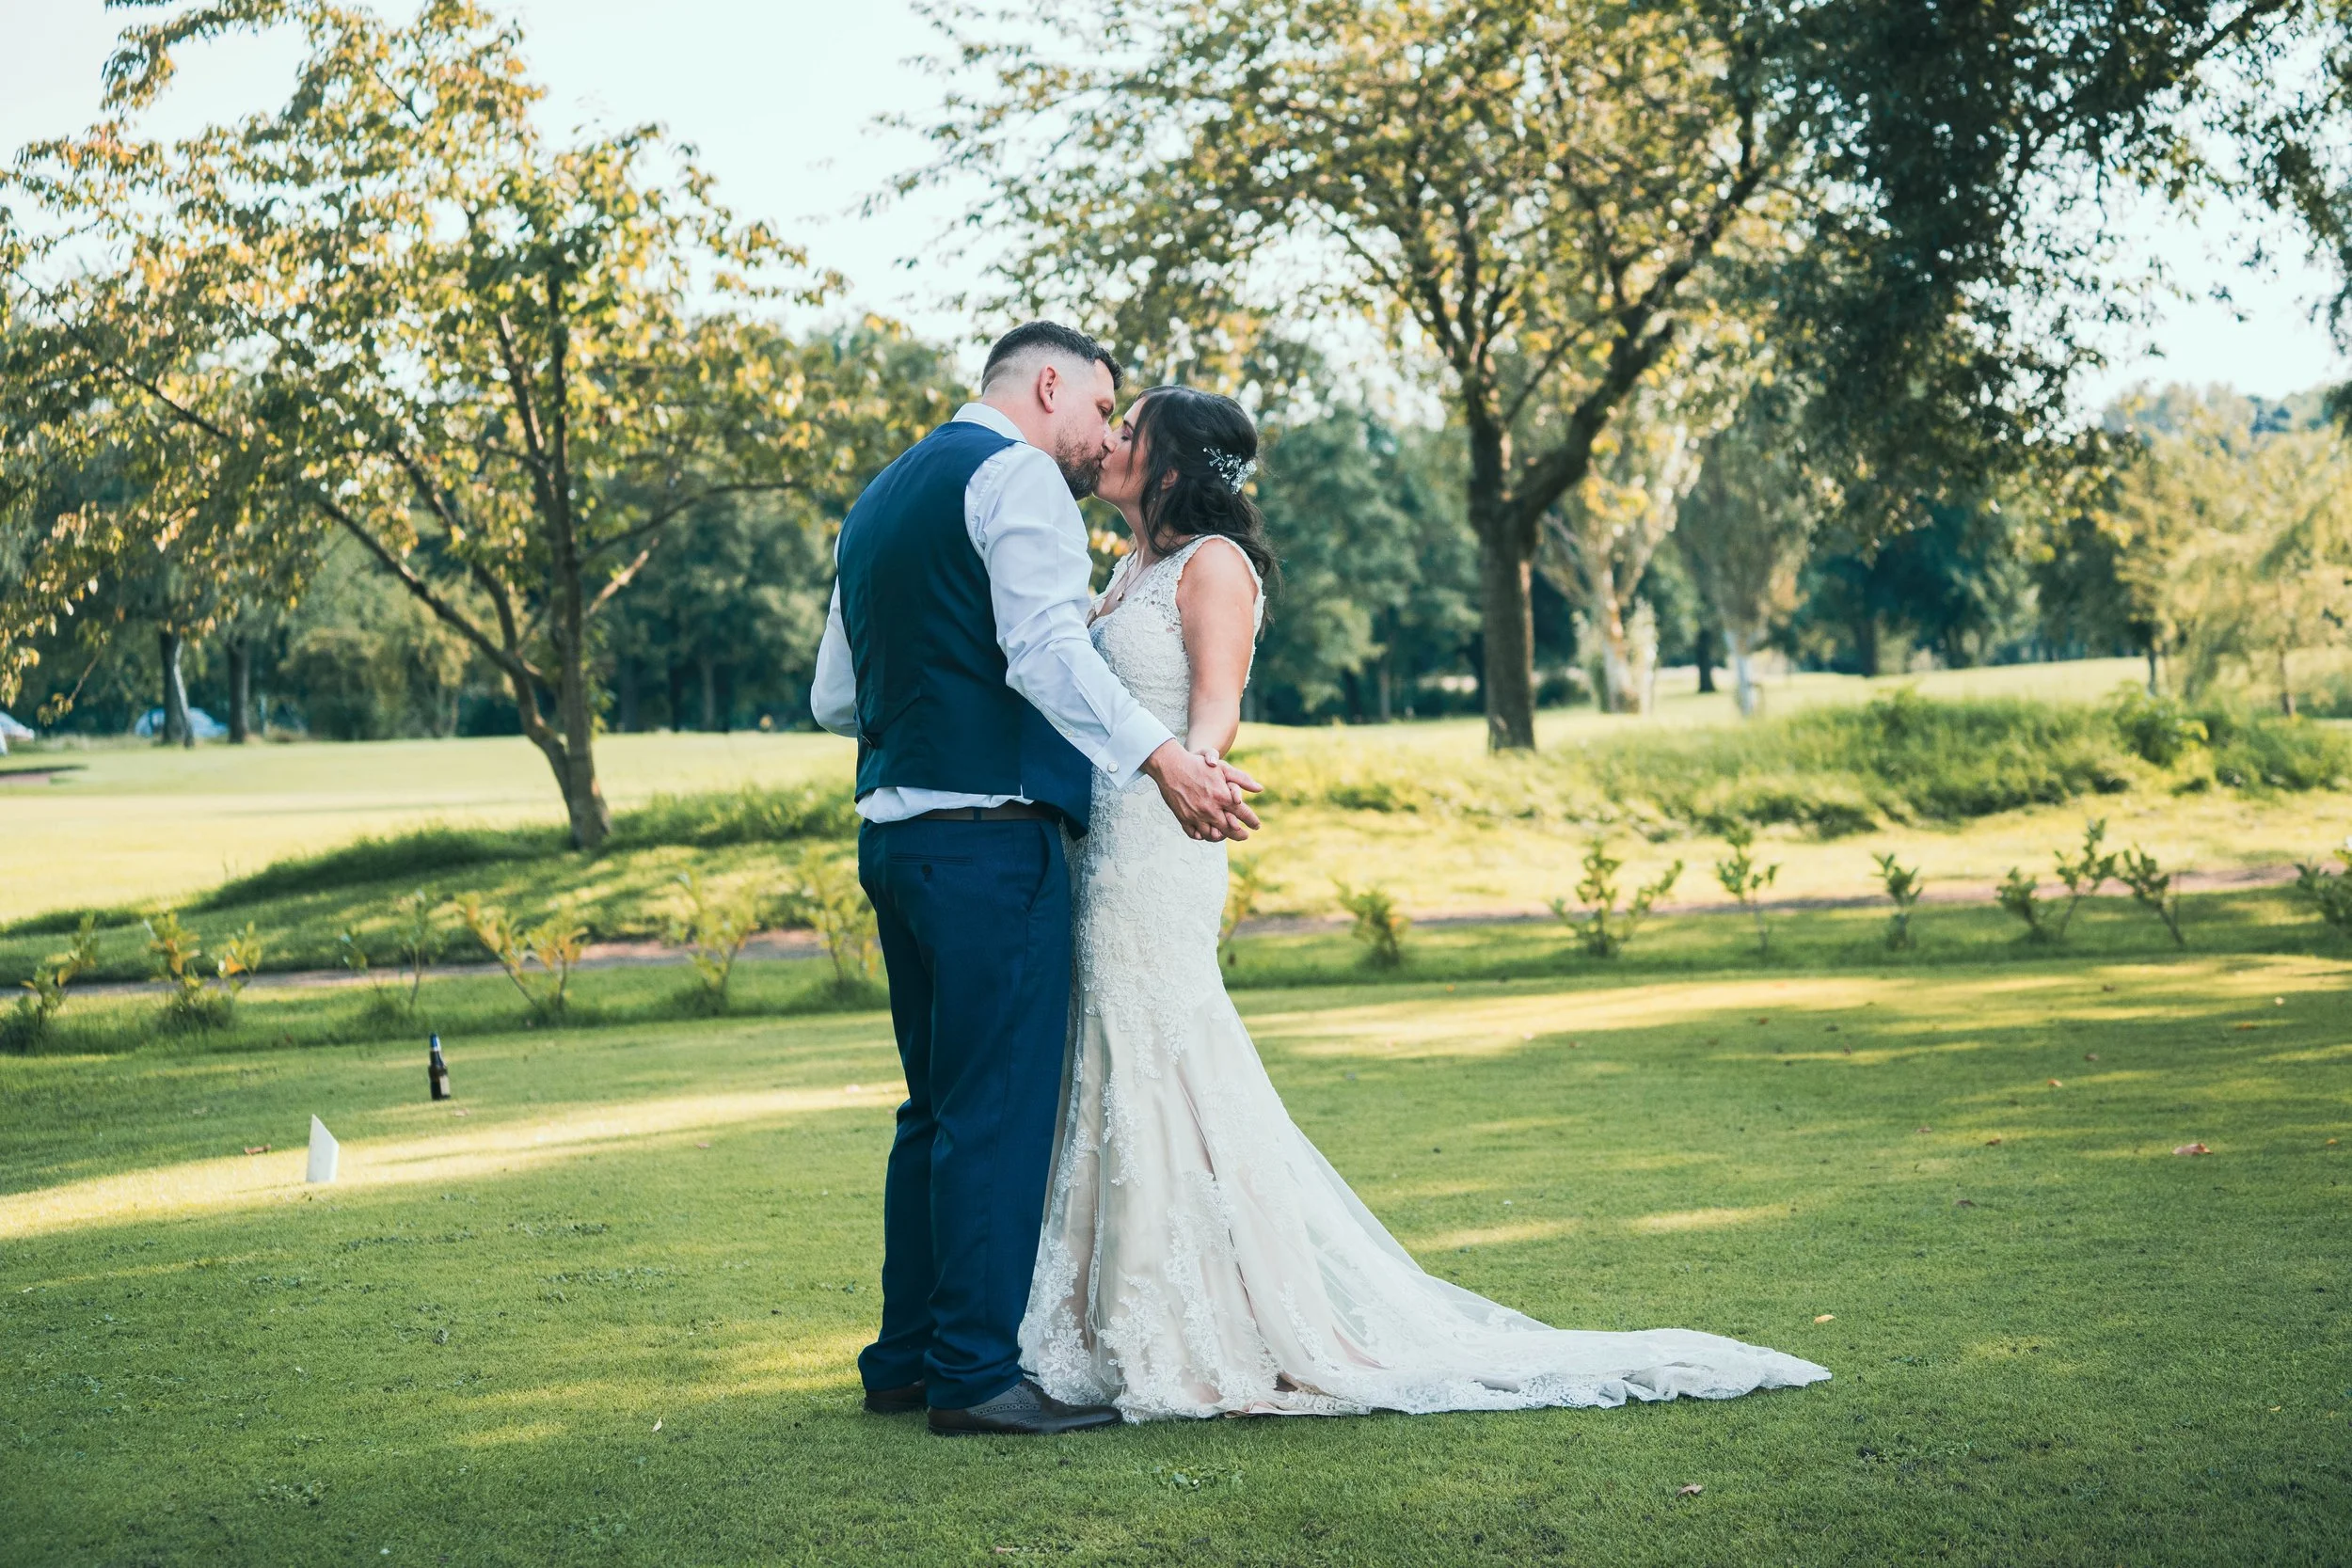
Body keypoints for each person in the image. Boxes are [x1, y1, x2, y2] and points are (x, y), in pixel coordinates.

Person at [1015, 384, 1833, 1418]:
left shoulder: (1210, 567)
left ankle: (1201, 1318)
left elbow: (1213, 708)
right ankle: (1111, 1314)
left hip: (1169, 836)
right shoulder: (1124, 570)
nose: (1111, 439)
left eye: (1130, 429)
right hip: (1108, 844)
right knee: (1113, 1054)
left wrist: (1194, 774)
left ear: (1173, 463)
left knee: (1164, 1048)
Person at [810, 322, 1261, 1436]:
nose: (1101, 435)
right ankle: (972, 1372)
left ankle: (904, 1356)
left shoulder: (876, 499)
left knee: (932, 1104)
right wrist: (1159, 757)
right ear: (1048, 384)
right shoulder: (1016, 479)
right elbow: (1045, 654)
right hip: (990, 842)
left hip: (894, 834)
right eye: (1100, 410)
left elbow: (834, 695)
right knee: (995, 1108)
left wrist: (929, 718)